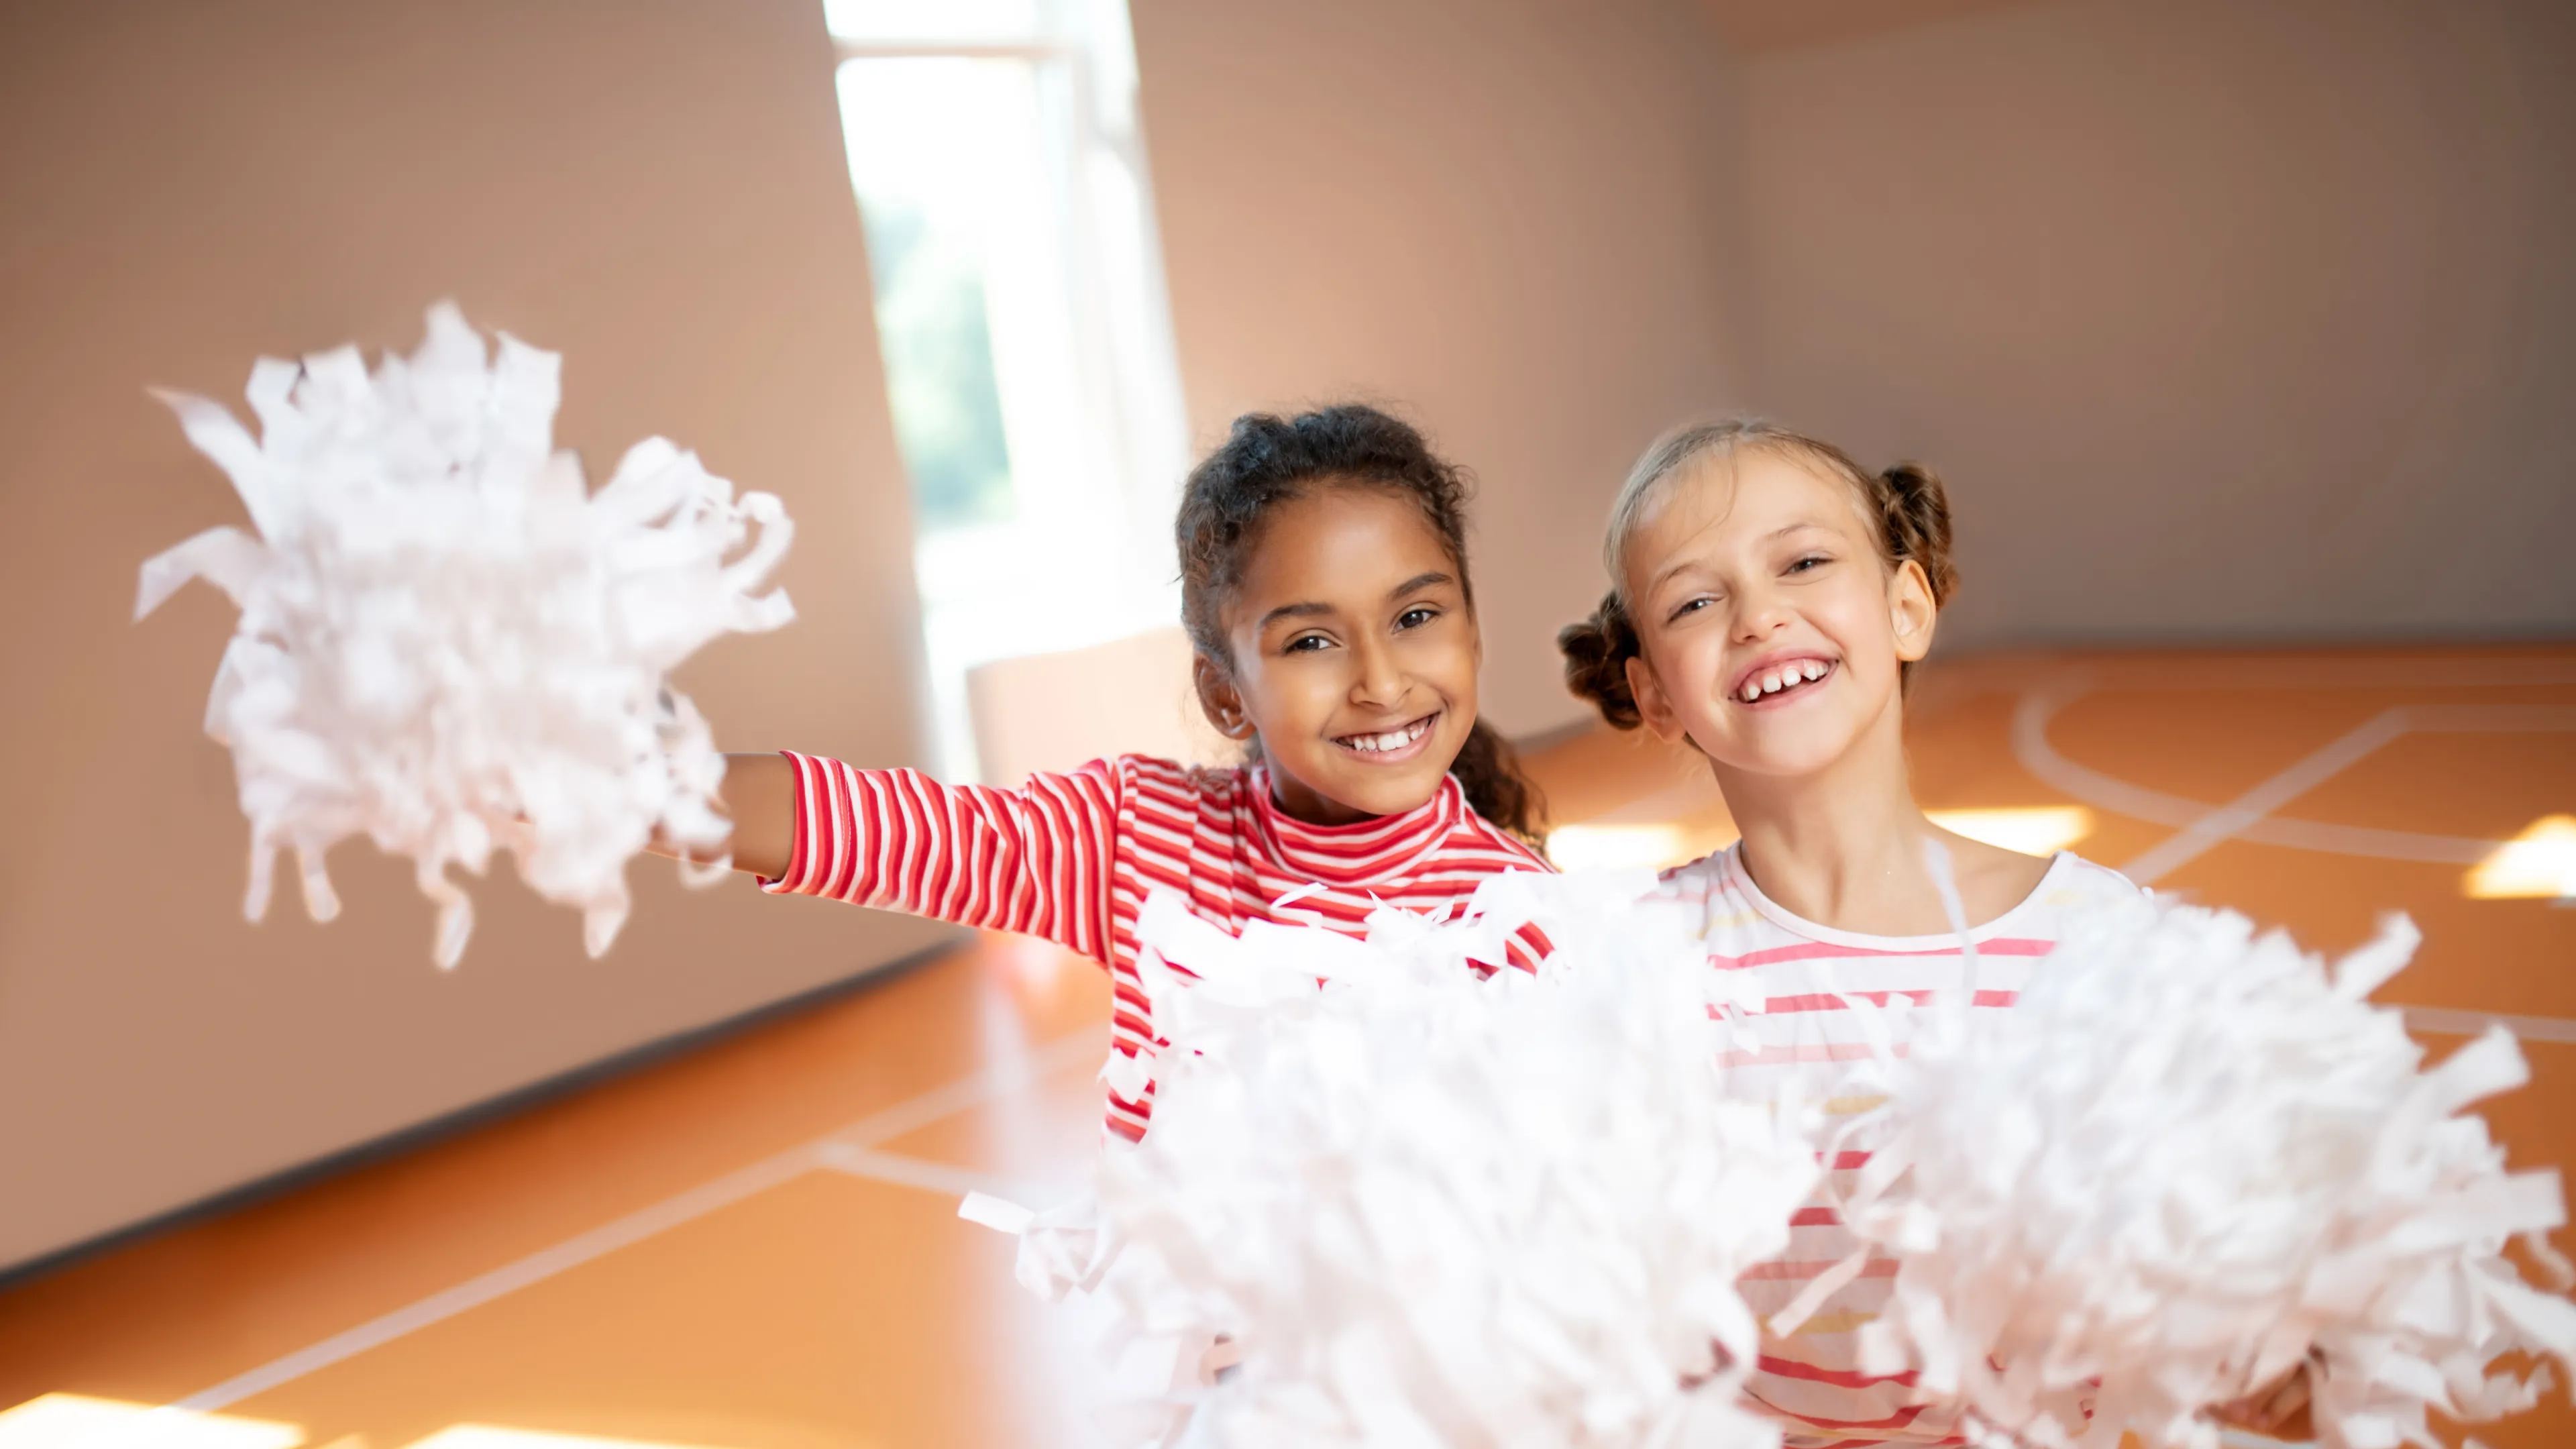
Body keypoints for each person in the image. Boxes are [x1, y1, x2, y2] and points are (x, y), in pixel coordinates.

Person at [1558, 420, 2312, 1444]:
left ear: (1906, 606)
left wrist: (2261, 1338)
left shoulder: (2097, 938)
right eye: (1696, 600)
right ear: (1654, 692)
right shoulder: (1631, 961)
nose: (1760, 616)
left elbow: (2198, 1243)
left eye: (1805, 562)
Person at [671, 405, 1550, 1142]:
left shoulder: (1528, 919)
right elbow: (906, 830)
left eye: (1417, 616)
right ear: (1226, 693)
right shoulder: (1143, 838)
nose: (1383, 681)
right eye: (1309, 640)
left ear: (1472, 634)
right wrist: (629, 783)